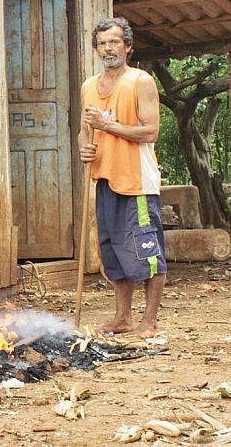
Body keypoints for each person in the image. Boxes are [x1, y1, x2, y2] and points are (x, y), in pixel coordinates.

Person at [79, 17, 165, 338]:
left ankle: (150, 320)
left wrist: (108, 126)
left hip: (137, 183)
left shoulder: (140, 81)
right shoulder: (89, 86)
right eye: (103, 43)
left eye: (114, 42)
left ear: (128, 46)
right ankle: (122, 318)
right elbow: (83, 132)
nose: (108, 48)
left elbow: (151, 131)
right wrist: (85, 148)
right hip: (105, 179)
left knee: (147, 253)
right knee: (112, 252)